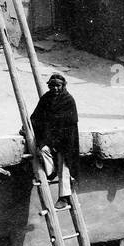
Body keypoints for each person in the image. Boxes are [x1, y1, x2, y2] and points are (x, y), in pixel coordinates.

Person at [27, 73, 80, 206]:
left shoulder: (68, 100)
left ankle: (64, 196)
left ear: (63, 86)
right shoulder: (46, 98)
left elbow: (69, 123)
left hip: (66, 139)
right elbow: (36, 115)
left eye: (58, 86)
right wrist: (27, 126)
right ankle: (51, 172)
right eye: (53, 86)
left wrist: (57, 142)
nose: (55, 88)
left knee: (64, 165)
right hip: (51, 137)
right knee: (43, 149)